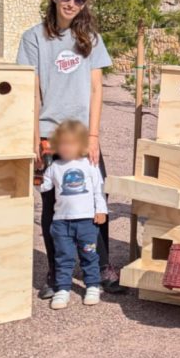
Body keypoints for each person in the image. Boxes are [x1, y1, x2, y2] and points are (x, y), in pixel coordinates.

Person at [17, 0, 122, 299]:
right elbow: (31, 88)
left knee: (95, 194)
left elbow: (95, 87)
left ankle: (102, 266)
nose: (71, 4)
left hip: (81, 134)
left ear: (84, 4)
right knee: (52, 205)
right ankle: (57, 270)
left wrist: (93, 135)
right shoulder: (33, 38)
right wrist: (34, 134)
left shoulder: (90, 37)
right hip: (50, 131)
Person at [38, 120, 108, 309]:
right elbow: (44, 187)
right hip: (61, 222)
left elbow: (98, 190)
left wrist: (101, 210)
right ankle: (63, 289)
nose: (66, 147)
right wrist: (37, 170)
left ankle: (92, 285)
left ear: (82, 145)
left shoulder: (90, 165)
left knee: (89, 255)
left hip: (86, 220)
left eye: (71, 143)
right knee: (63, 256)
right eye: (62, 143)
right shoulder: (54, 167)